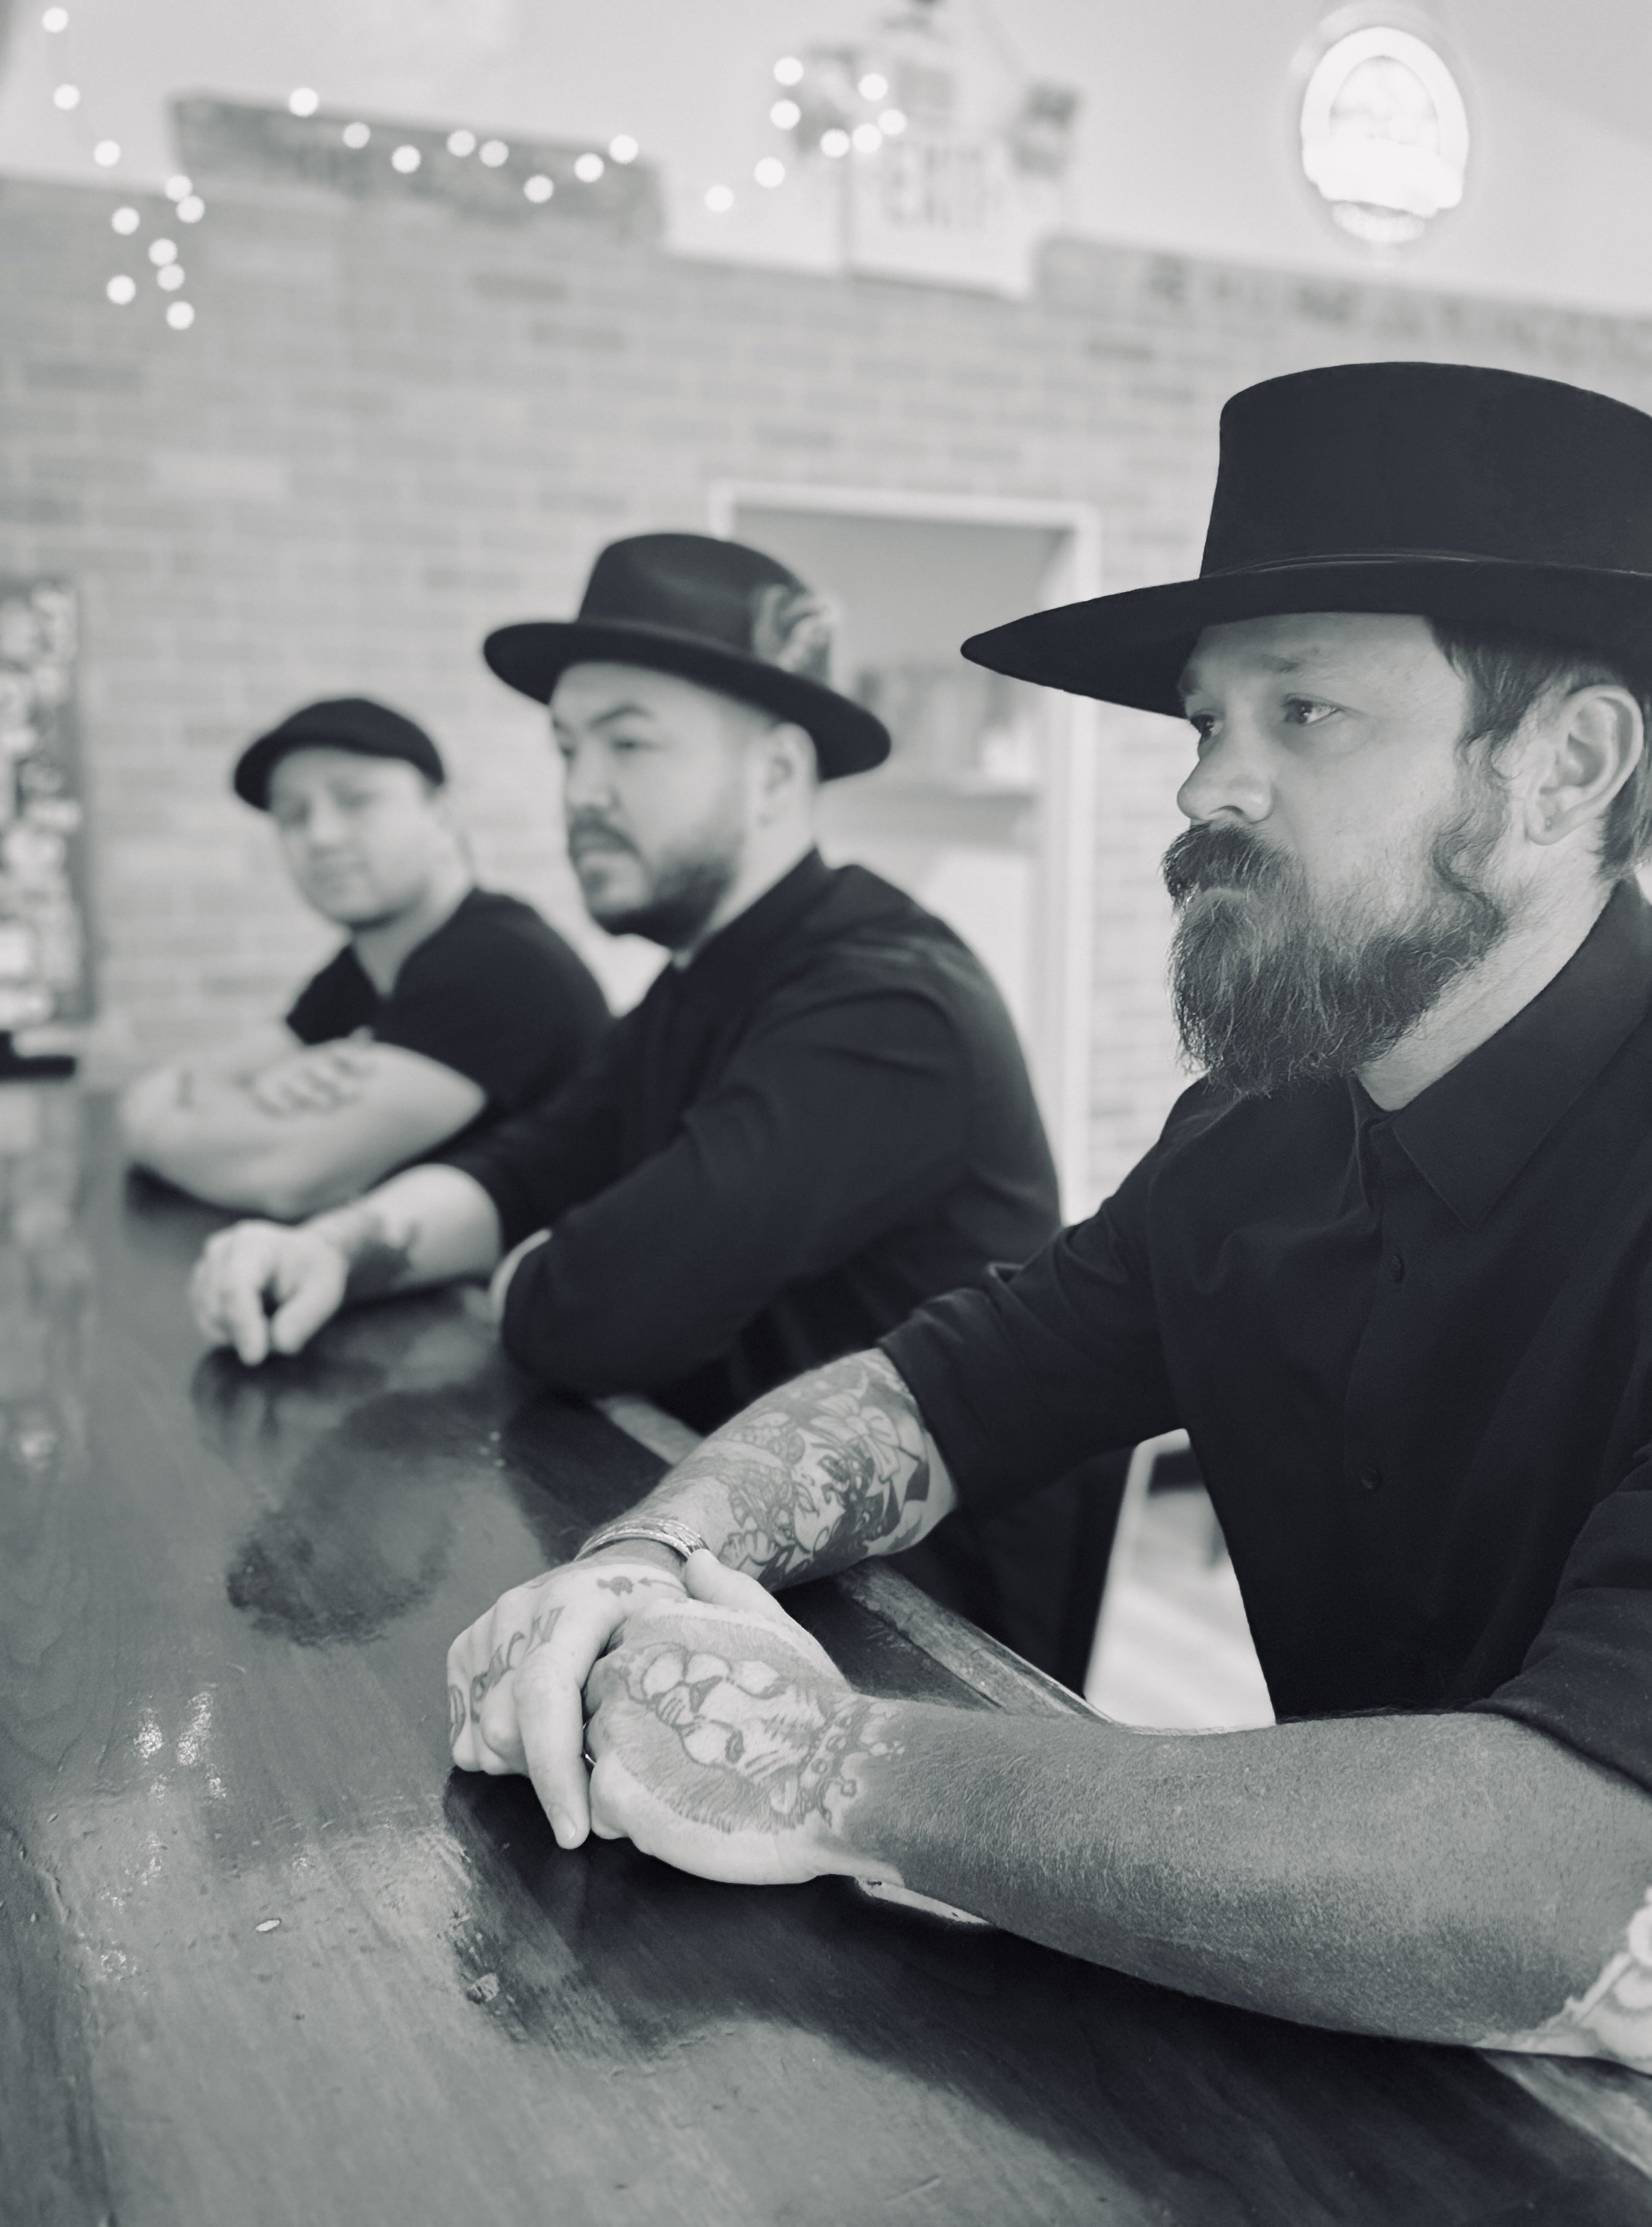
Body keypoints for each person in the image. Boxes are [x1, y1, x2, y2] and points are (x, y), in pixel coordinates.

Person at [446, 365, 1652, 2073]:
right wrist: (659, 1554)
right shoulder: (1256, 1133)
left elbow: (1562, 1872)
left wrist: (825, 1768)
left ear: (1565, 769)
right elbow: (941, 1390)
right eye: (1200, 721)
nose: (1204, 790)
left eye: (1302, 713)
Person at [190, 537, 1090, 1670]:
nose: (580, 789)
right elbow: (526, 1167)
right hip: (704, 1551)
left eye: (628, 742)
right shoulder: (693, 982)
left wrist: (530, 1264)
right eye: (568, 747)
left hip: (918, 1642)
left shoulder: (887, 1003)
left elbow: (589, 1310)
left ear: (773, 771)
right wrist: (331, 1244)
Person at [122, 696, 608, 1219]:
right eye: (293, 815)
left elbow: (287, 1176)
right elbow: (184, 1080)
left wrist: (158, 1126)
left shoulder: (497, 965)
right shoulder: (364, 964)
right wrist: (254, 1094)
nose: (321, 837)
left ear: (441, 813)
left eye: (356, 801)